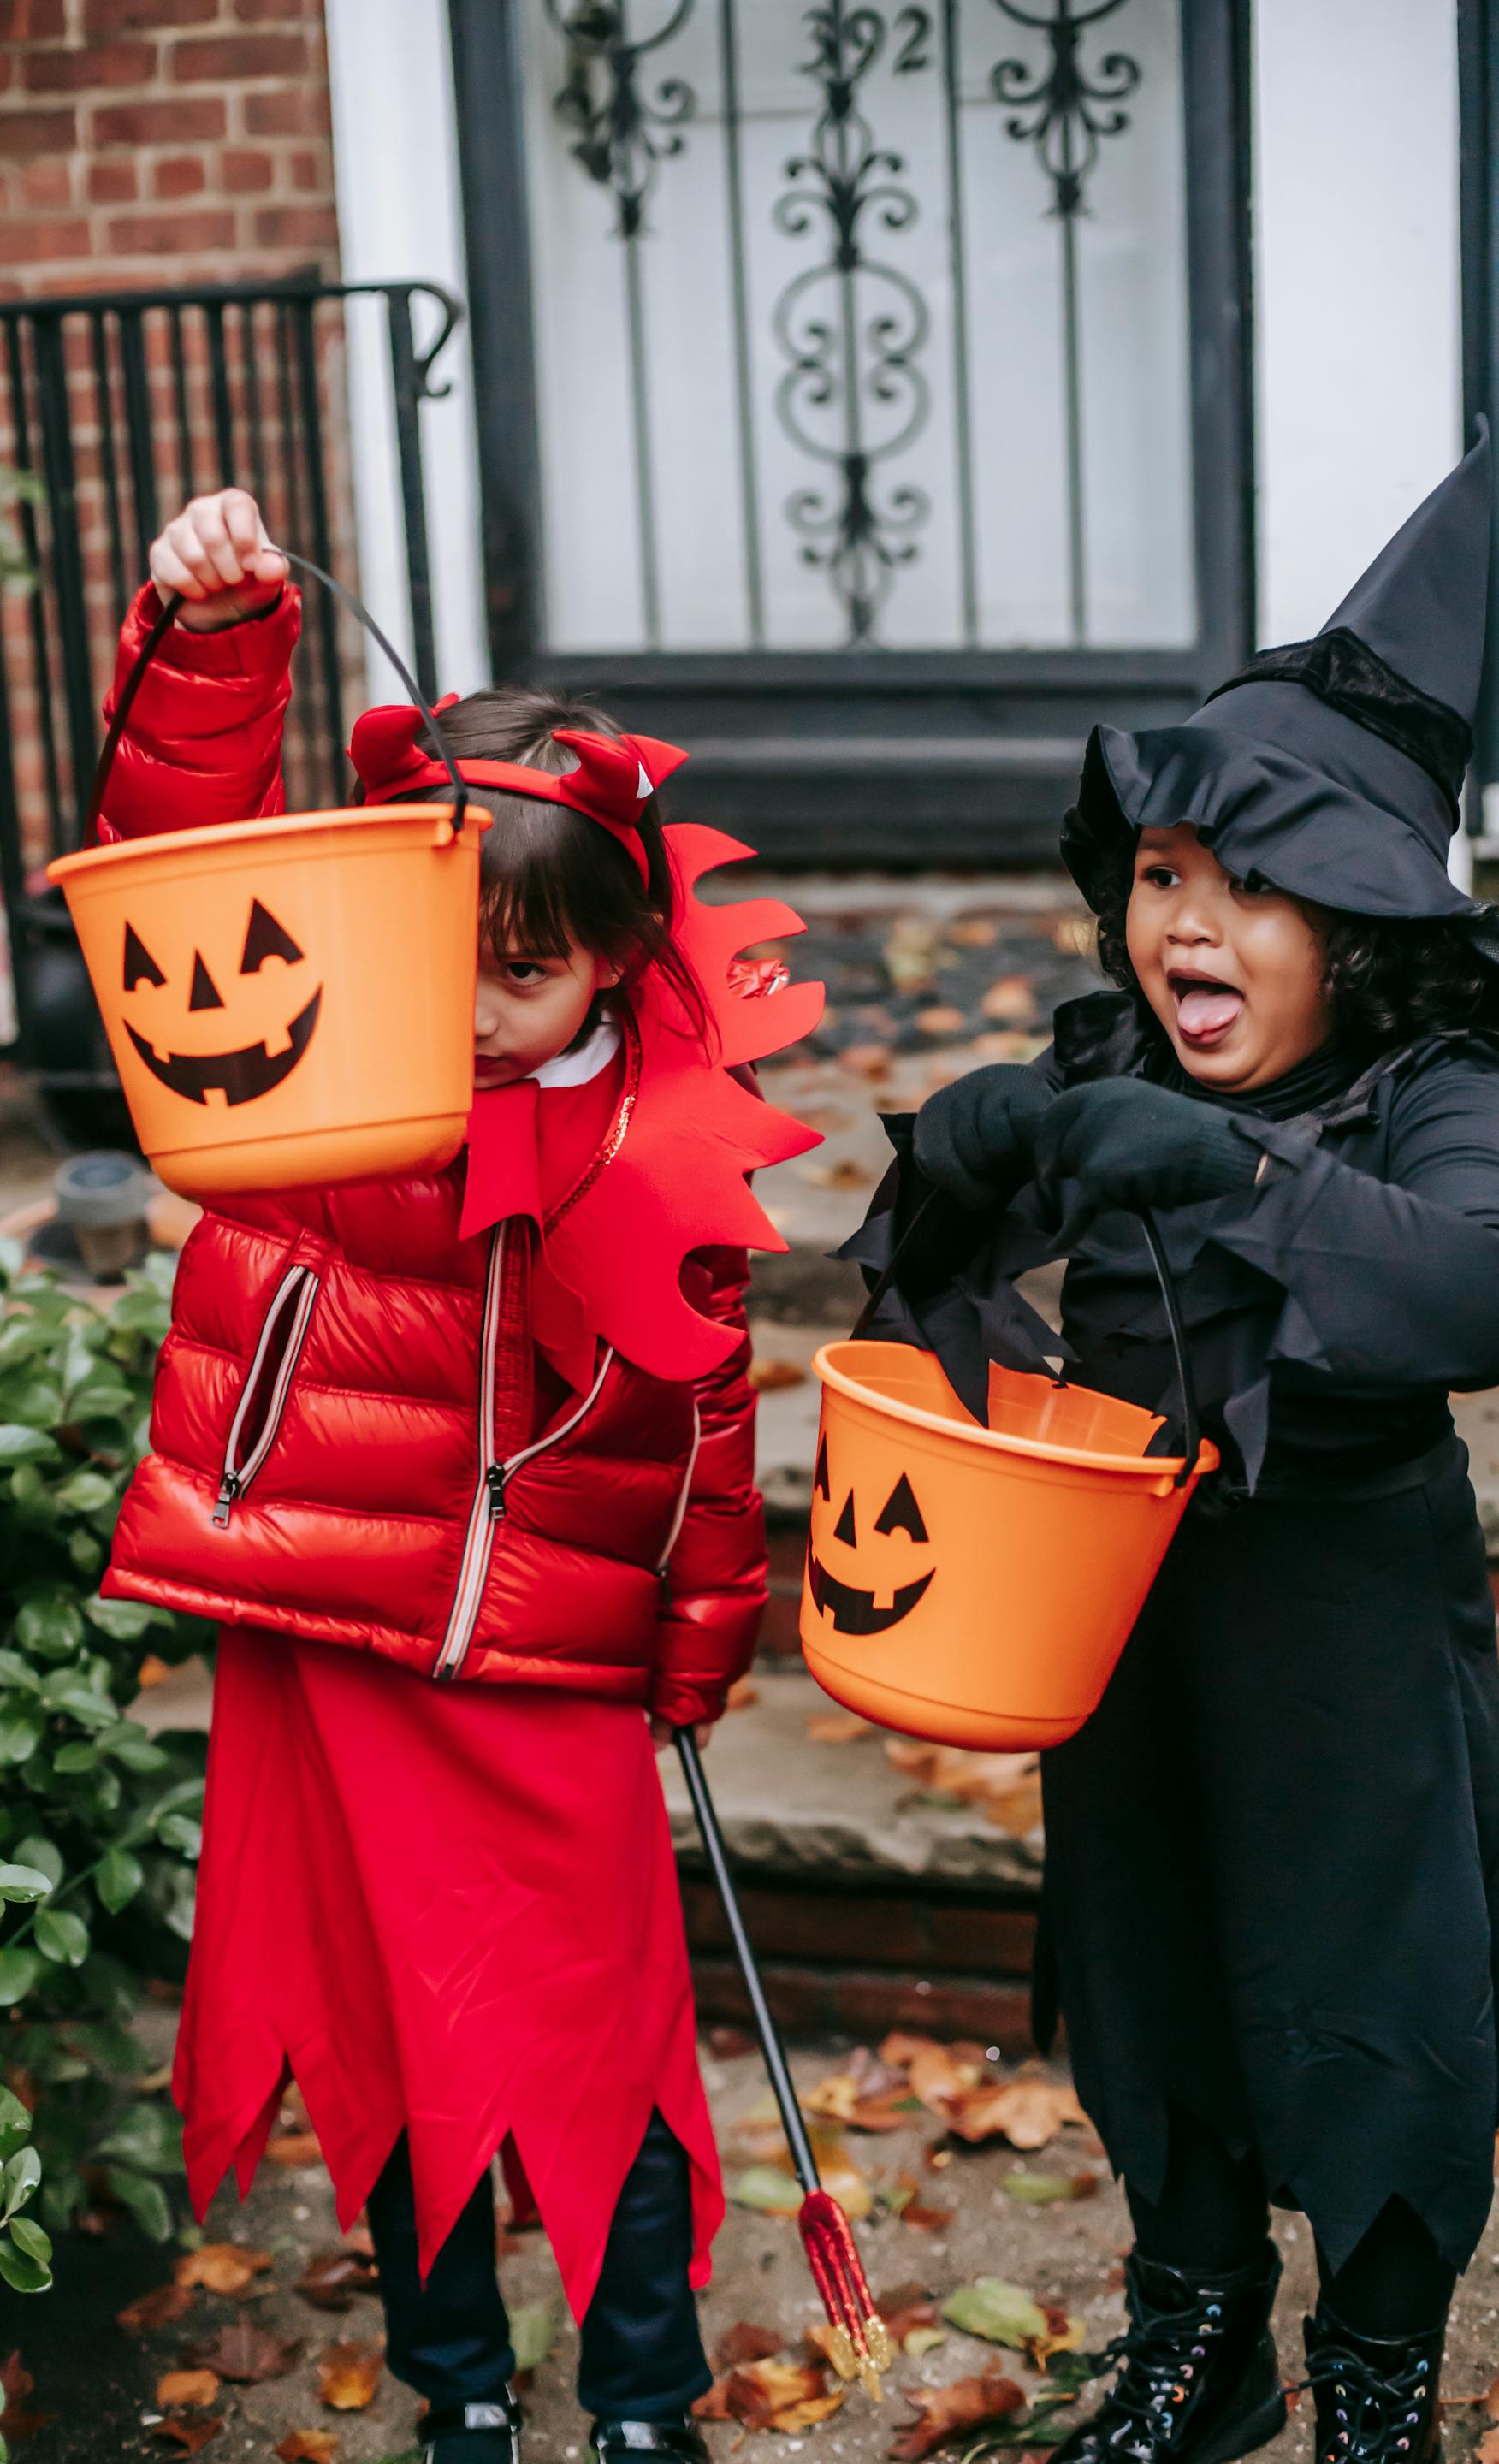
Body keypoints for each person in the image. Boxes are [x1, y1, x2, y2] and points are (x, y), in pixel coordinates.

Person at [92, 489, 823, 2464]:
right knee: (402, 2038)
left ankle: (650, 2400)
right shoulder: (324, 1068)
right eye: (454, 952)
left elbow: (712, 1419)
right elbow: (181, 882)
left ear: (611, 955)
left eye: (534, 967)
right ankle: (459, 2393)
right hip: (339, 1618)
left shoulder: (662, 1138)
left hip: (558, 1661)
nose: (488, 1006)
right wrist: (218, 643)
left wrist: (700, 1638)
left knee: (600, 2040)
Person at [843, 428, 1499, 2464]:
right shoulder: (1107, 1054)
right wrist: (948, 1190)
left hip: (1352, 1642)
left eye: (1258, 889)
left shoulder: (1436, 1087)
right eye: (1163, 878)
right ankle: (1195, 2341)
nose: (1188, 929)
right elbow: (941, 1281)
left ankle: (1374, 2387)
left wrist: (1219, 1168)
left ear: (1368, 927)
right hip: (1118, 1629)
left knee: (1372, 2013)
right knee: (1155, 1981)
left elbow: (1475, 1287)